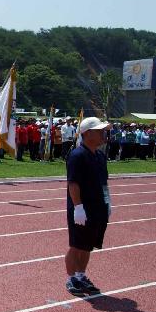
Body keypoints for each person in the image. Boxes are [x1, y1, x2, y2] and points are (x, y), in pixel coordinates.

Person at [65, 117, 111, 296]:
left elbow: (104, 183)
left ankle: (81, 275)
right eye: (100, 131)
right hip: (81, 208)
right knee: (76, 245)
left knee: (88, 245)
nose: (103, 134)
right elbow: (73, 183)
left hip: (97, 206)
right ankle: (71, 279)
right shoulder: (77, 155)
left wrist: (108, 202)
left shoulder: (100, 156)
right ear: (88, 133)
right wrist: (78, 207)